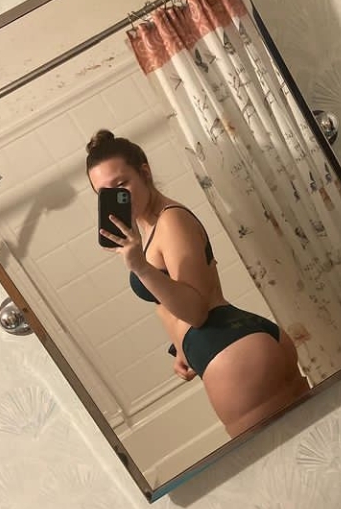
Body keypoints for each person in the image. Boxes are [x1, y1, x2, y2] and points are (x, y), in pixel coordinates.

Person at [86, 129, 310, 438]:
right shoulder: (148, 229)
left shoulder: (171, 221)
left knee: (280, 461)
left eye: (121, 184)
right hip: (235, 344)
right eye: (104, 193)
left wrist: (140, 267)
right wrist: (180, 347)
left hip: (231, 354)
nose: (116, 198)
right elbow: (178, 293)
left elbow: (196, 311)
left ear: (145, 173)